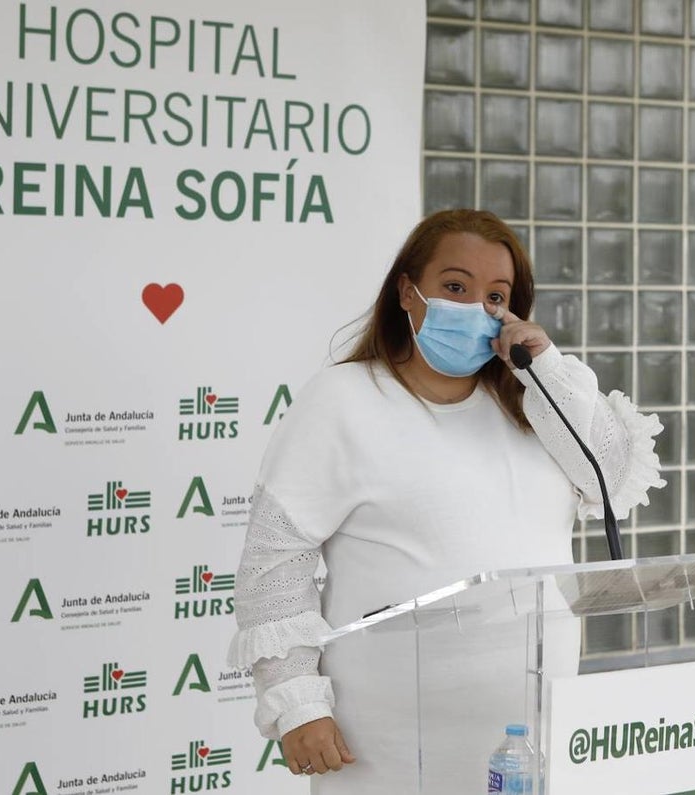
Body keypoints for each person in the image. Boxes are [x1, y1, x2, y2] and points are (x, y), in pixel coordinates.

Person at [227, 209, 665, 793]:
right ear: (409, 293)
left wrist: (547, 370)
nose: (475, 306)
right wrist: (298, 703)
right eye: (455, 287)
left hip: (534, 727)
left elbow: (608, 479)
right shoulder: (343, 400)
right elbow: (274, 563)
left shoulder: (534, 404)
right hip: (391, 741)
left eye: (495, 295)